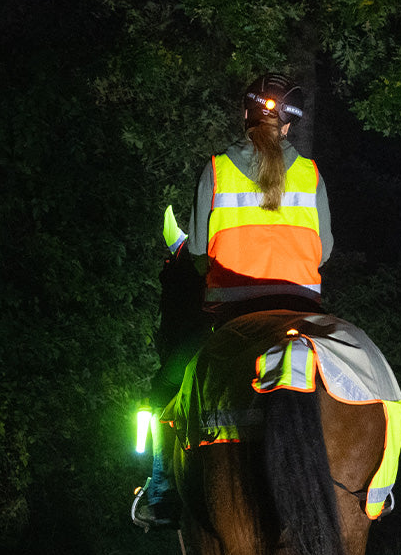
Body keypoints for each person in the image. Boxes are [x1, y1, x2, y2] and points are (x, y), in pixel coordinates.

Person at [133, 72, 333, 530]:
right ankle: (379, 489)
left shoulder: (217, 169)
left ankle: (161, 492)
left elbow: (197, 250)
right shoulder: (311, 174)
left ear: (246, 116)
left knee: (167, 386)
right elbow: (325, 251)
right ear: (289, 124)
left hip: (234, 316)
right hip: (305, 314)